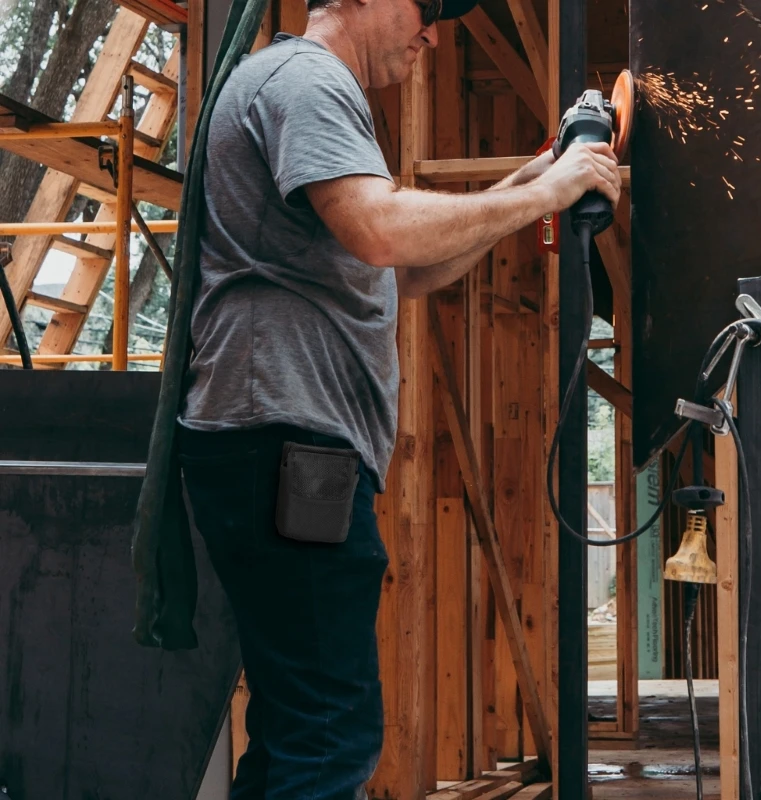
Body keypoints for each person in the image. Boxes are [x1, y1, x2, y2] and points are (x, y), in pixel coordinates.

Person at [175, 0, 621, 793]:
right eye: (426, 7)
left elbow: (400, 270)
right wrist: (546, 195)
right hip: (285, 447)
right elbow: (382, 233)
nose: (434, 31)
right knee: (330, 740)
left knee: (296, 731)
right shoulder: (305, 80)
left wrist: (526, 180)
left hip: (273, 447)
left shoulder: (300, 85)